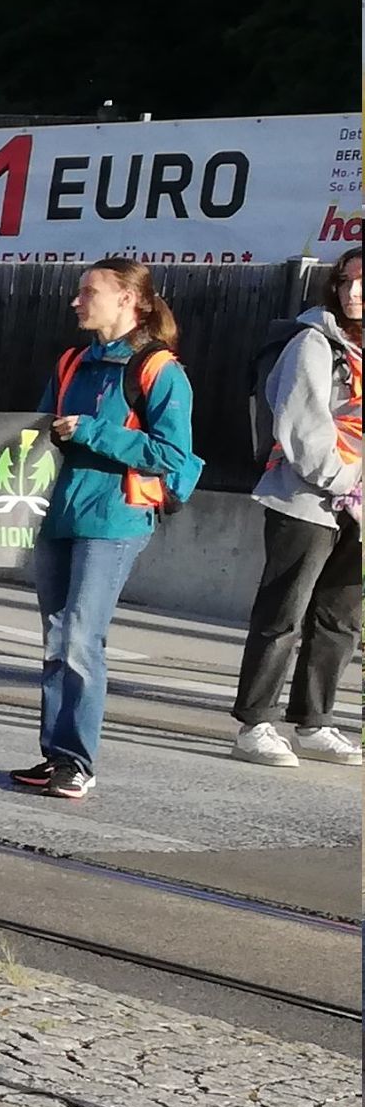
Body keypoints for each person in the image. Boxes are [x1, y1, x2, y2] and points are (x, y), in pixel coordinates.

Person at [11, 255, 199, 802]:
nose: (76, 300)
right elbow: (39, 432)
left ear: (128, 300)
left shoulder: (159, 369)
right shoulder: (71, 361)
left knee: (79, 638)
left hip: (115, 516)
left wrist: (93, 432)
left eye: (88, 291)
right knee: (56, 637)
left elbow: (171, 453)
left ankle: (77, 761)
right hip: (59, 514)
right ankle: (56, 755)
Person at [232, 249, 362, 766]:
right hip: (307, 498)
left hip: (359, 507)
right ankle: (254, 723)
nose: (353, 293)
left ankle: (314, 721)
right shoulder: (313, 343)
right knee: (283, 613)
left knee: (341, 618)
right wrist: (345, 479)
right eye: (347, 282)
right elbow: (302, 425)